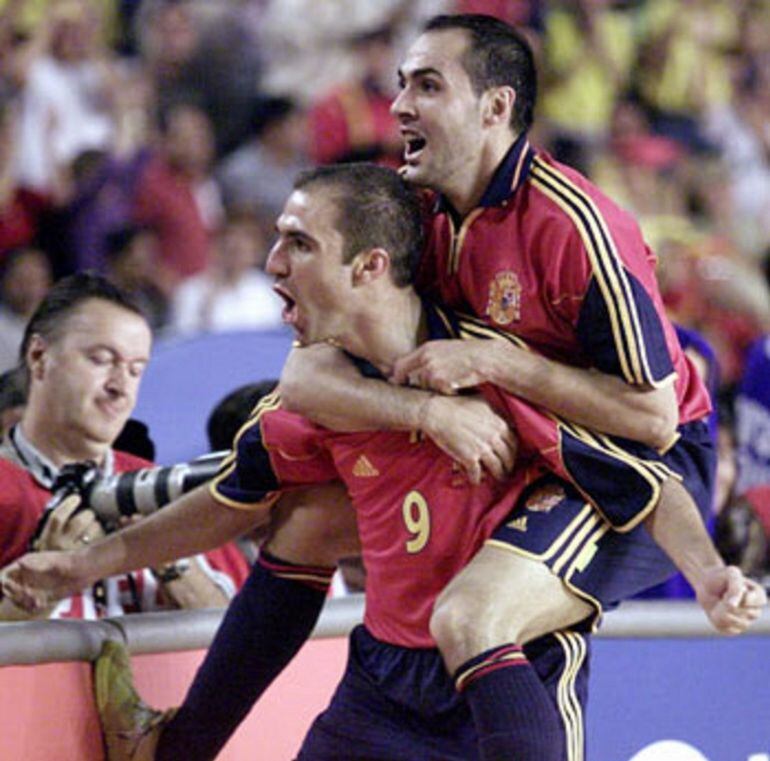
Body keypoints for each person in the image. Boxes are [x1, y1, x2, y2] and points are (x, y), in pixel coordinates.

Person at [3, 165, 765, 760]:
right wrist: (80, 566)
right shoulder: (315, 393)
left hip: (501, 687)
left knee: (431, 593)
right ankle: (178, 745)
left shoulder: (496, 370)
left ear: (370, 266)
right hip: (382, 686)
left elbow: (645, 479)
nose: (273, 263)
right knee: (300, 522)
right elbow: (229, 505)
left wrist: (708, 574)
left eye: (299, 243)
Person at [0, 272, 249, 620]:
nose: (121, 387)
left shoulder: (161, 490)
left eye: (135, 370)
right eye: (102, 360)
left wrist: (166, 554)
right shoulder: (7, 489)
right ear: (39, 356)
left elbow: (239, 636)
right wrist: (43, 590)